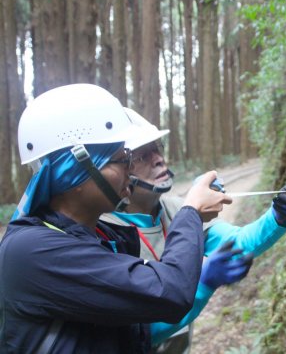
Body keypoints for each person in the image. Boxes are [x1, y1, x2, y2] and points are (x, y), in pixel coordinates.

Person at [0, 84, 232, 354]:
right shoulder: (32, 251)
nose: (131, 169)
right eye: (122, 159)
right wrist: (191, 211)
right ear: (75, 169)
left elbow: (140, 326)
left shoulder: (103, 238)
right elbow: (169, 292)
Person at [99, 108, 286, 353]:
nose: (158, 158)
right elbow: (135, 330)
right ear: (119, 169)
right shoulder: (104, 232)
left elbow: (236, 242)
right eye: (141, 156)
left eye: (157, 147)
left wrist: (279, 217)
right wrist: (203, 283)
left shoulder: (178, 209)